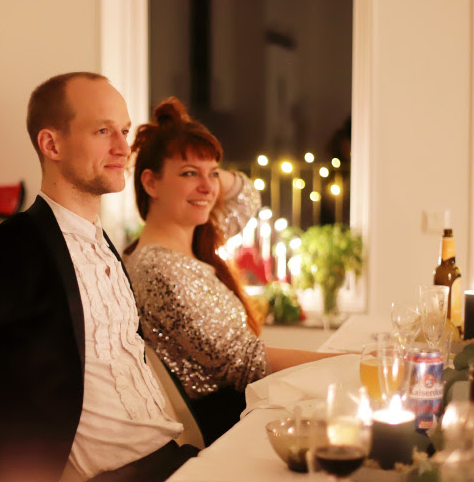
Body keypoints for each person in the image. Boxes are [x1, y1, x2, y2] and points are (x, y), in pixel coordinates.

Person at [0, 73, 195, 482]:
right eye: (103, 131)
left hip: (170, 462)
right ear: (52, 144)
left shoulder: (105, 244)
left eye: (124, 131)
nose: (122, 147)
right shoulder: (3, 250)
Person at [124, 97, 338, 446]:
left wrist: (192, 151)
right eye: (188, 173)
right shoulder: (158, 270)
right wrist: (347, 362)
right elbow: (247, 363)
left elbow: (246, 195)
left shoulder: (196, 239)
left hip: (242, 412)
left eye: (213, 174)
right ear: (151, 183)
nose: (209, 187)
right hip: (228, 431)